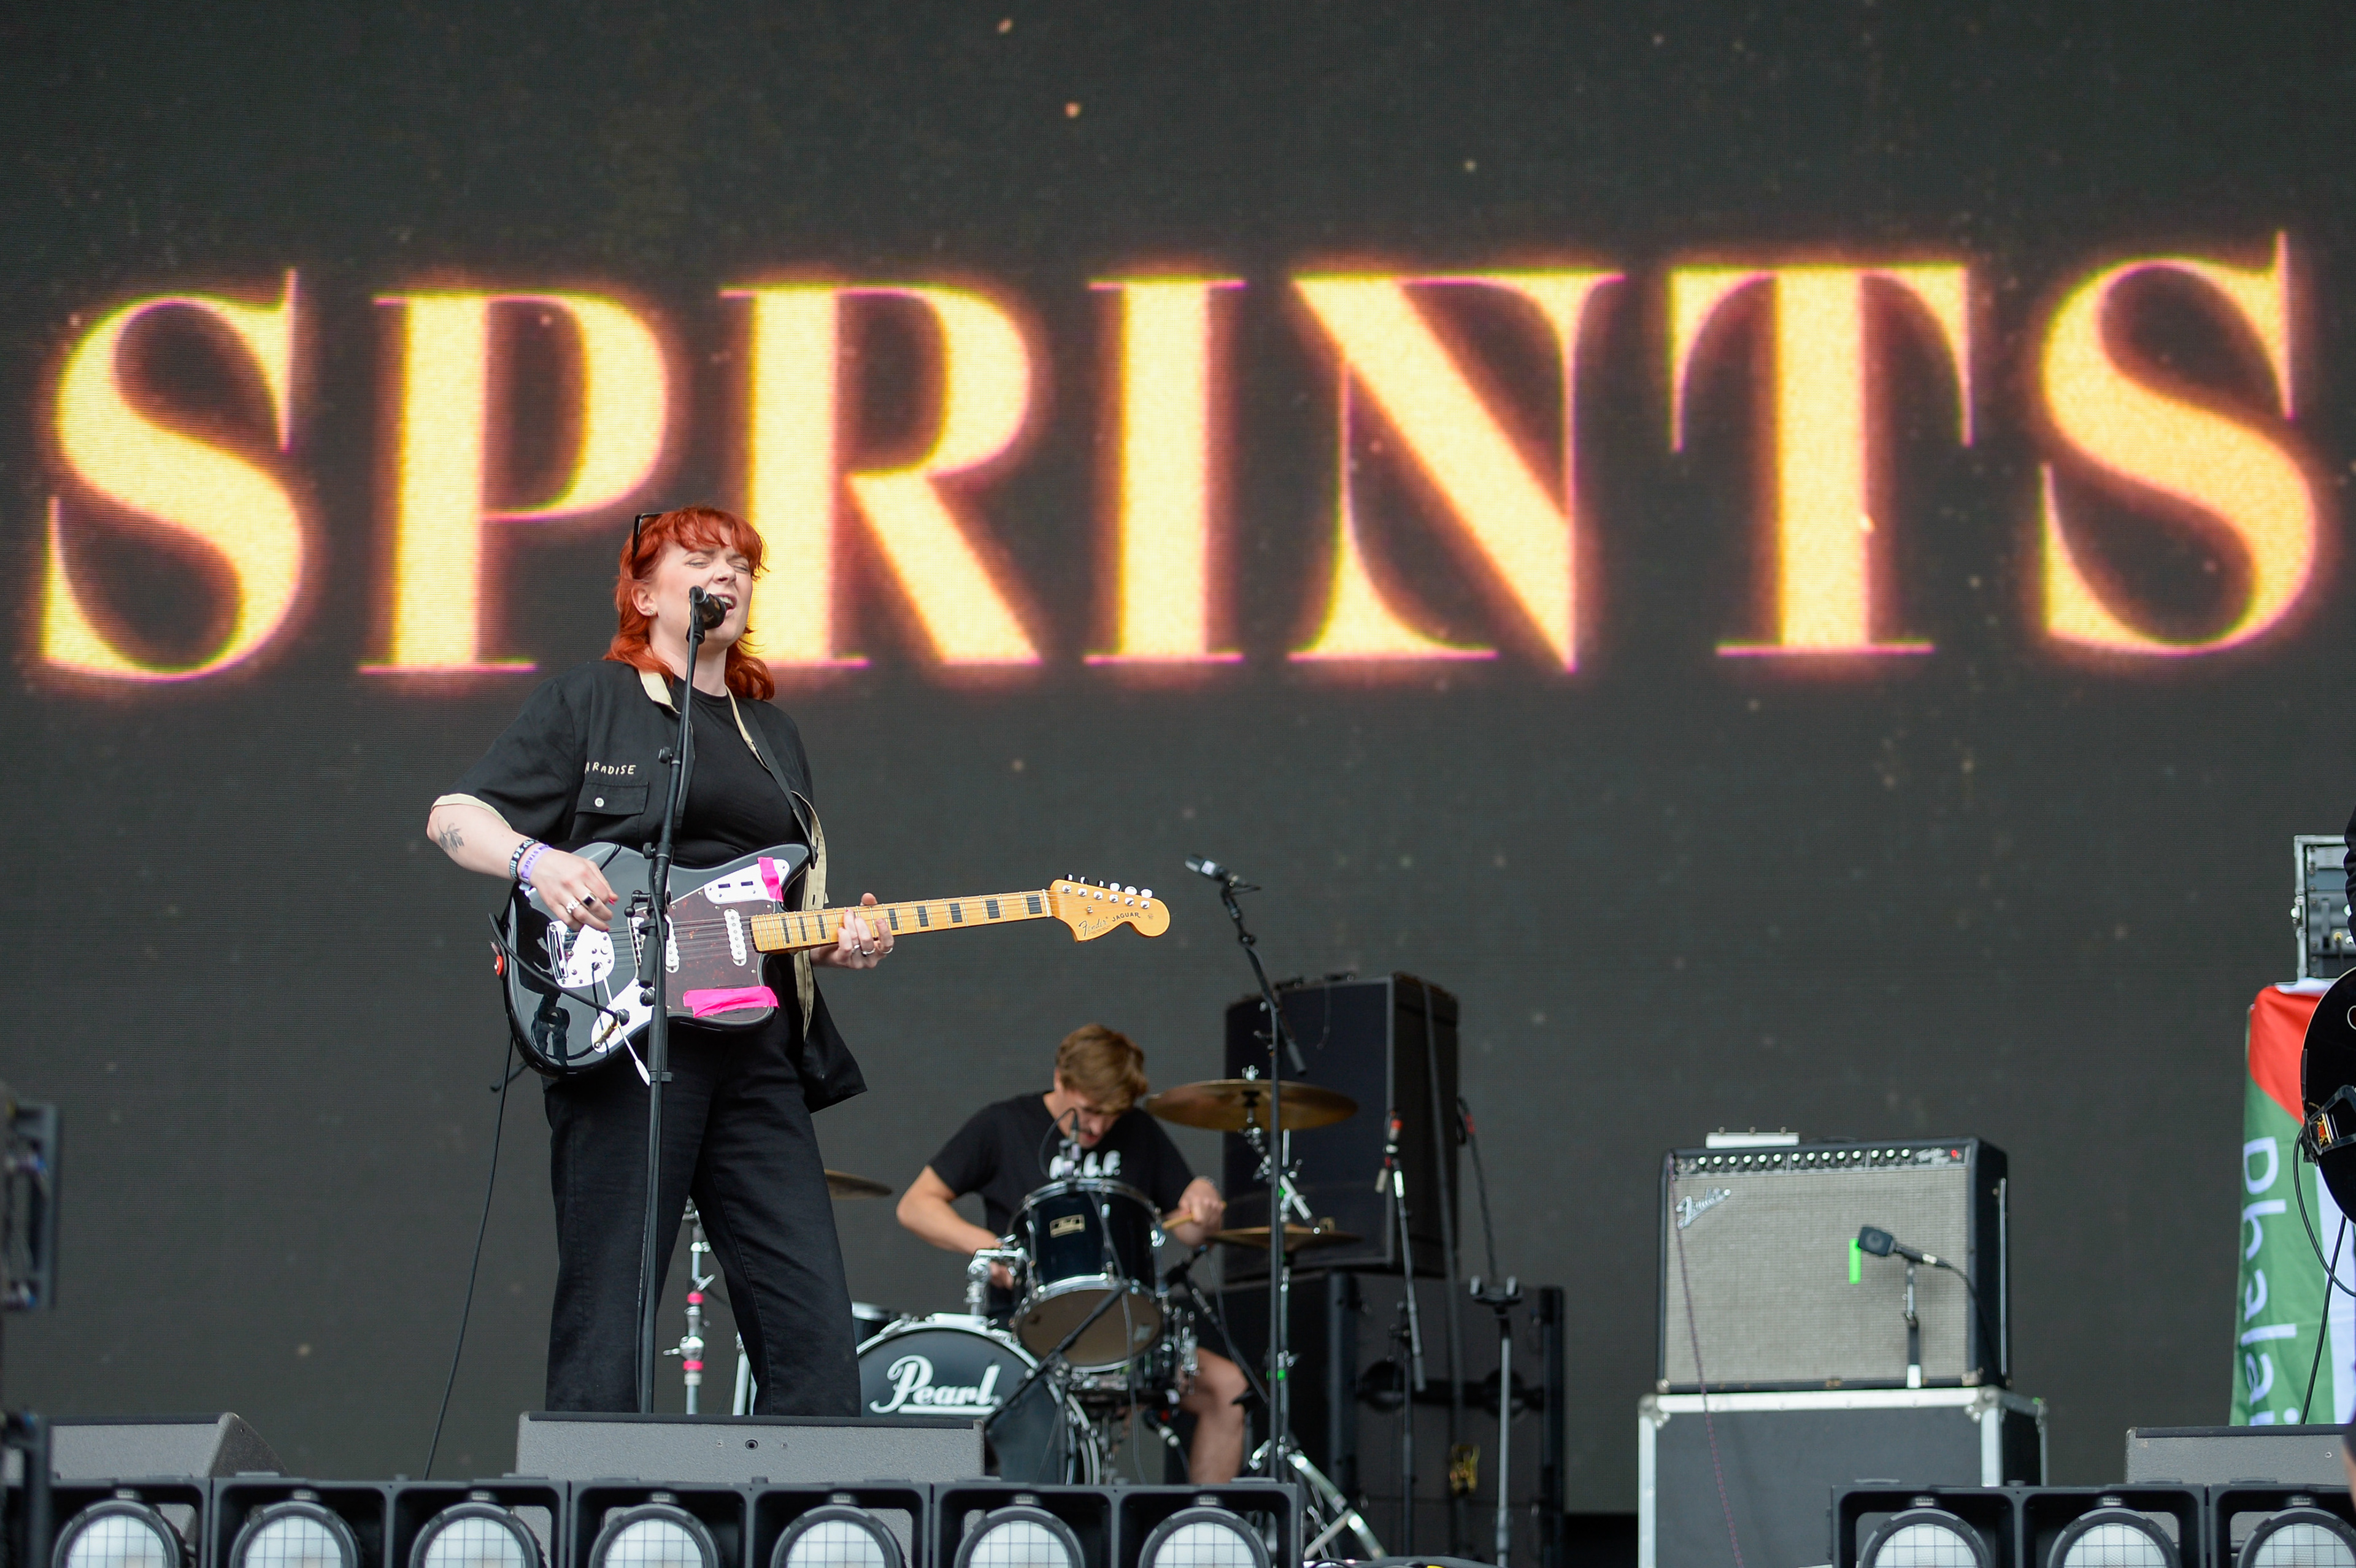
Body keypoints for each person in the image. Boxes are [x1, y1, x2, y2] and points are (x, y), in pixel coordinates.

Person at [425, 504, 895, 1415]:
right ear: (643, 596)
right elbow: (454, 816)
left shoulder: (772, 734)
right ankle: (594, 1494)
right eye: (701, 561)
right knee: (612, 1300)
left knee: (807, 1316)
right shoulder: (590, 701)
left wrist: (837, 939)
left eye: (742, 565)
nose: (728, 576)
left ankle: (818, 1497)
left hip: (756, 1046)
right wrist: (535, 860)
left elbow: (775, 908)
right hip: (625, 1033)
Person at [897, 1024, 1251, 1482]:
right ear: (1060, 1080)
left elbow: (1194, 1234)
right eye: (1089, 1111)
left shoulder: (1139, 1131)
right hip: (1023, 1334)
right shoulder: (1003, 1124)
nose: (1099, 1127)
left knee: (1228, 1387)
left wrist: (1204, 1201)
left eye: (1112, 1115)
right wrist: (989, 1248)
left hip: (1124, 1333)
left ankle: (1203, 1525)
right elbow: (915, 1205)